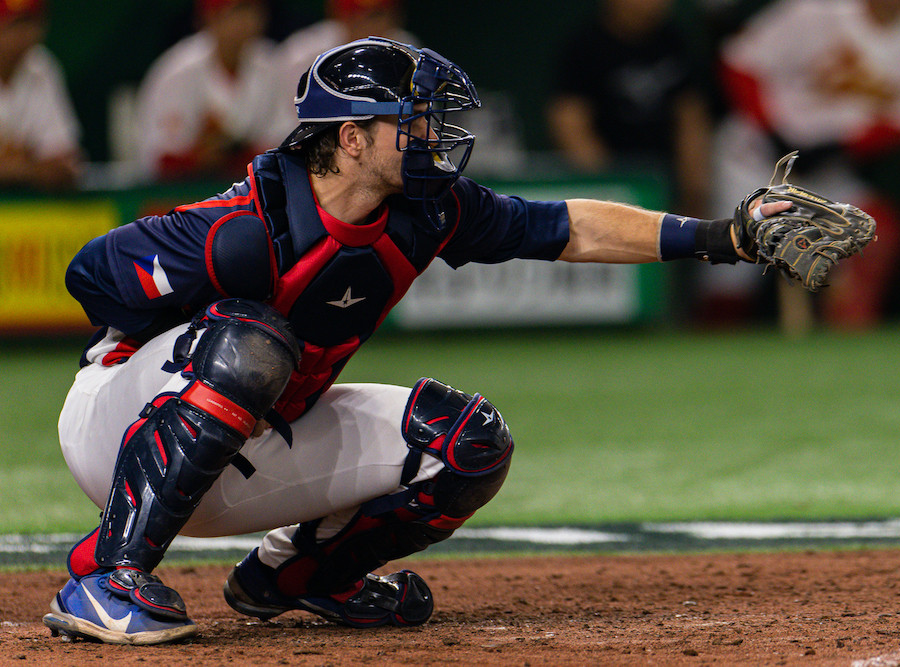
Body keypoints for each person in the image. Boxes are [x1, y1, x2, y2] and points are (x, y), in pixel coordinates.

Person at [42, 37, 792, 646]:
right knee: (251, 339)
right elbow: (90, 274)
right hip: (118, 424)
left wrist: (724, 237)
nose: (433, 134)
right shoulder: (245, 228)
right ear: (352, 138)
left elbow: (568, 226)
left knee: (470, 442)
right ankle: (109, 573)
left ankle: (297, 577)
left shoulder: (429, 209)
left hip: (260, 433)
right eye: (414, 119)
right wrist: (180, 338)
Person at [707, 0, 900, 331]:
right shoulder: (813, 10)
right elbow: (738, 64)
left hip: (830, 169)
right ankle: (715, 344)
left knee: (876, 231)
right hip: (756, 157)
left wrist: (843, 146)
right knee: (726, 270)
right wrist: (772, 132)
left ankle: (845, 343)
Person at [547, 0, 713, 218]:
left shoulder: (674, 40)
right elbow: (569, 122)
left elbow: (690, 117)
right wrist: (611, 191)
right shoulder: (585, 45)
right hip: (614, 187)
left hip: (665, 185)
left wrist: (694, 191)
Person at [134, 0, 277, 182]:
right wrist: (202, 155)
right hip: (184, 194)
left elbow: (283, 146)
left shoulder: (270, 63)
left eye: (252, 10)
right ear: (211, 17)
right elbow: (160, 159)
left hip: (253, 189)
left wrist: (231, 151)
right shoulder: (178, 70)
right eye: (237, 11)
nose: (247, 20)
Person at [266, 0, 418, 146]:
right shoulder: (302, 53)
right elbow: (284, 126)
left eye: (378, 15)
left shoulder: (407, 52)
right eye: (357, 16)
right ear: (340, 17)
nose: (370, 25)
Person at [0, 0, 81, 190]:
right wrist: (31, 164)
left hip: (31, 212)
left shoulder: (42, 65)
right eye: (13, 25)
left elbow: (64, 161)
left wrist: (16, 167)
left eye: (30, 24)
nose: (23, 35)